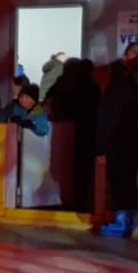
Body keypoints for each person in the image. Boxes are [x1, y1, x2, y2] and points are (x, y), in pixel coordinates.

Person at [96, 56, 138, 238]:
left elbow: (104, 123)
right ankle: (131, 221)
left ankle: (120, 223)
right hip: (133, 147)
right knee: (130, 183)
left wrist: (100, 149)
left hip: (115, 147)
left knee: (118, 184)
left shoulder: (112, 94)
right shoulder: (137, 91)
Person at [46, 57, 101, 213]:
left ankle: (65, 199)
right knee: (82, 168)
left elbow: (50, 99)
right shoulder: (91, 85)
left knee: (63, 165)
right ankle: (80, 201)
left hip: (61, 130)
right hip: (85, 130)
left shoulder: (61, 83)